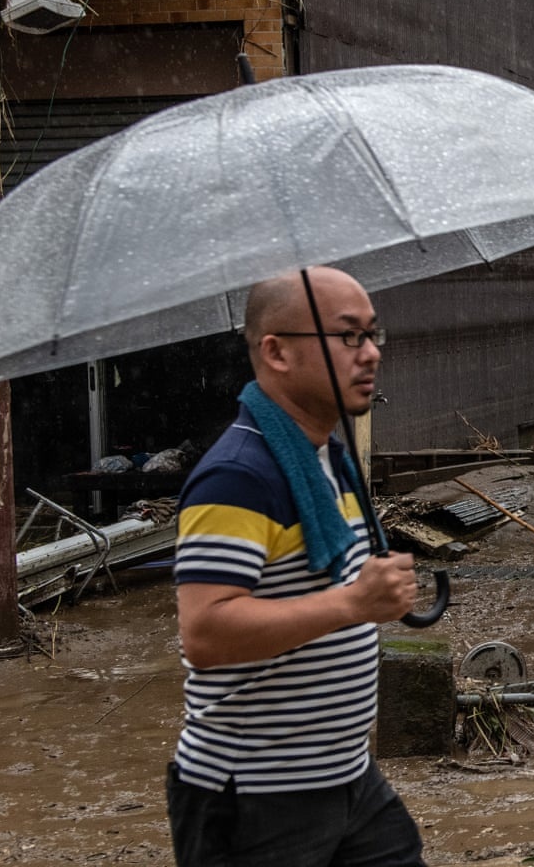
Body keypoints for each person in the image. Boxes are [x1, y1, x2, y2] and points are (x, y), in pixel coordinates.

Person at [166, 266, 426, 867]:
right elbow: (204, 633)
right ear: (276, 352)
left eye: (373, 334)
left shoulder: (324, 457)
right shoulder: (238, 475)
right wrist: (352, 605)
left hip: (346, 778)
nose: (370, 355)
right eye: (347, 337)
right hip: (252, 797)